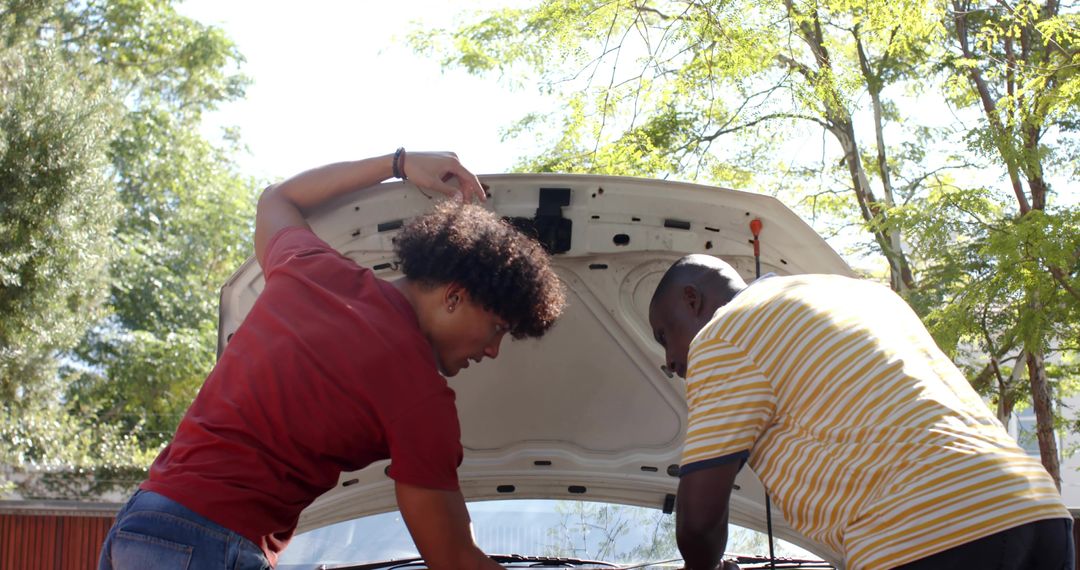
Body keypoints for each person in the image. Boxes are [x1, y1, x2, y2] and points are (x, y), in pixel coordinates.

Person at [98, 150, 566, 570]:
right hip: (211, 544)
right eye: (498, 328)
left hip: (143, 522)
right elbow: (452, 558)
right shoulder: (420, 397)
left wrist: (398, 163)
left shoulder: (311, 268)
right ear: (455, 297)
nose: (492, 350)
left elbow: (278, 198)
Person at [648, 254, 1072, 570]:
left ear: (692, 299)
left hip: (928, 531)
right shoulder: (865, 296)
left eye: (664, 334)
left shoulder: (725, 333)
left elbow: (698, 524)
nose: (669, 359)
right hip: (1036, 512)